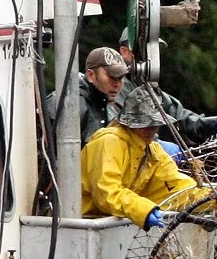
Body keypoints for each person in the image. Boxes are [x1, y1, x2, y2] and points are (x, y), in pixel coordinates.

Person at [81, 86, 204, 229]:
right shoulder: (109, 142)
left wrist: (215, 197)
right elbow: (107, 193)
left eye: (154, 124)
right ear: (129, 123)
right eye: (145, 124)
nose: (151, 130)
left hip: (114, 226)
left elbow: (178, 187)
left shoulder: (153, 150)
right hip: (82, 226)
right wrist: (143, 211)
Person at [117, 33, 217, 147]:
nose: (152, 56)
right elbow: (121, 129)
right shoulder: (117, 87)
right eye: (147, 50)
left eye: (154, 51)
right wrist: (157, 145)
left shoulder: (146, 86)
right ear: (124, 52)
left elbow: (179, 117)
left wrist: (216, 124)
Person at [44, 47, 128, 147]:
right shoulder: (69, 103)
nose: (117, 84)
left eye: (120, 78)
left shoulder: (109, 108)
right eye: (112, 77)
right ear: (91, 75)